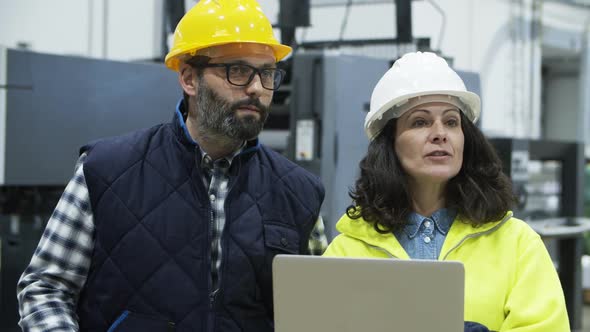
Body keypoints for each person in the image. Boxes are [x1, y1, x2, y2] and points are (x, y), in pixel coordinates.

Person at [16, 1, 324, 331]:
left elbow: (316, 307)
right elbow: (46, 288)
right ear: (189, 79)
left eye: (266, 73)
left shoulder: (300, 191)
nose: (256, 88)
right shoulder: (104, 171)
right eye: (237, 71)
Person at [323, 51, 570, 331]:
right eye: (420, 122)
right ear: (389, 143)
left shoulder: (518, 245)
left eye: (452, 122)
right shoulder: (347, 251)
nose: (440, 133)